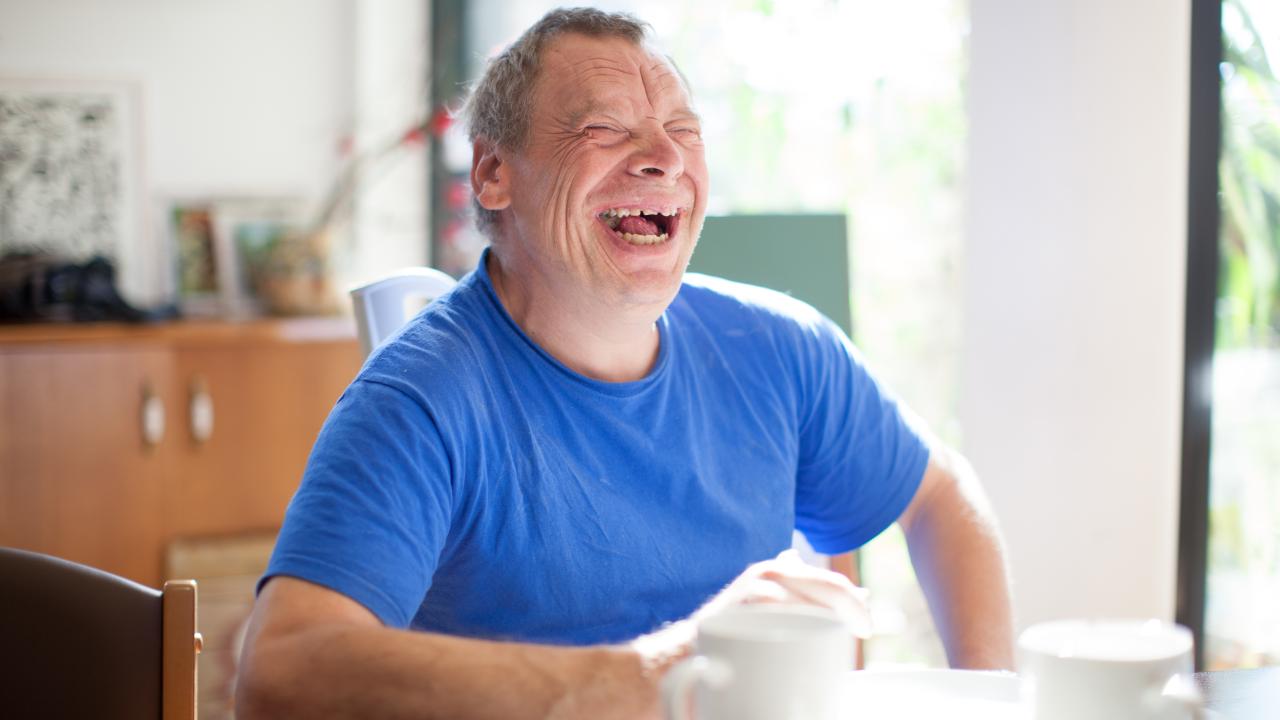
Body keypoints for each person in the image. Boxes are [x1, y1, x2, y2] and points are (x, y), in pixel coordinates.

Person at [236, 8, 1014, 719]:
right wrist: (654, 672)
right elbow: (279, 672)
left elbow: (941, 497)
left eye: (684, 126)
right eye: (606, 128)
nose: (666, 156)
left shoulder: (779, 348)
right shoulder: (420, 399)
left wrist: (990, 699)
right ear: (492, 174)